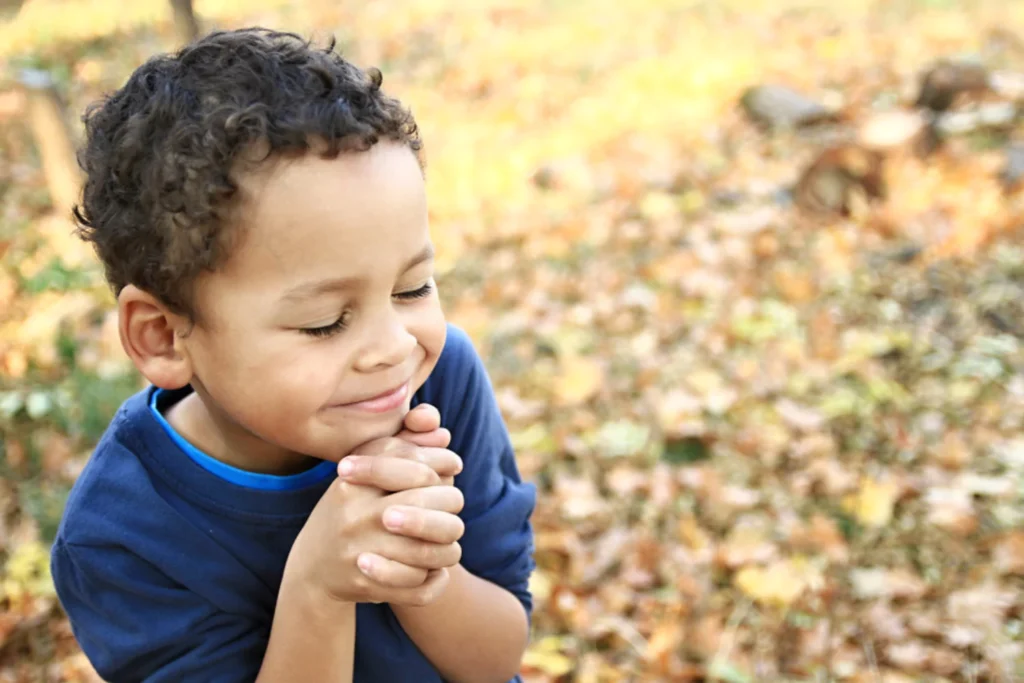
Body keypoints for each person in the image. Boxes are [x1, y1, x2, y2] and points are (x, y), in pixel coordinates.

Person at [50, 27, 536, 682]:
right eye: (325, 322)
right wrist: (318, 585)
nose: (393, 347)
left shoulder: (442, 379)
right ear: (164, 336)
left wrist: (425, 562)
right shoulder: (124, 537)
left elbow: (497, 658)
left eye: (412, 287)